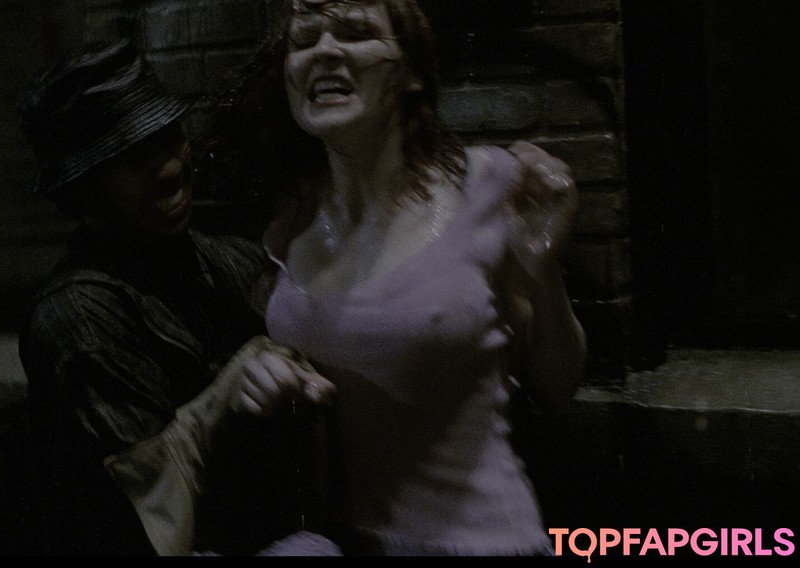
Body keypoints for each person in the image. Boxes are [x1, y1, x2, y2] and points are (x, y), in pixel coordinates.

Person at [199, 0, 588, 556]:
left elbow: (556, 386)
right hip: (339, 541)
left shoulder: (487, 186)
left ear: (410, 72)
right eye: (304, 39)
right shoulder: (288, 219)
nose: (325, 50)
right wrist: (265, 375)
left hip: (483, 543)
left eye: (355, 32)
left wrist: (541, 269)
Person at [14, 39, 338, 556]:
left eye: (169, 138)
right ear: (79, 191)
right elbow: (158, 511)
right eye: (132, 159)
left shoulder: (227, 261)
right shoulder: (78, 318)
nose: (170, 169)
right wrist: (236, 384)